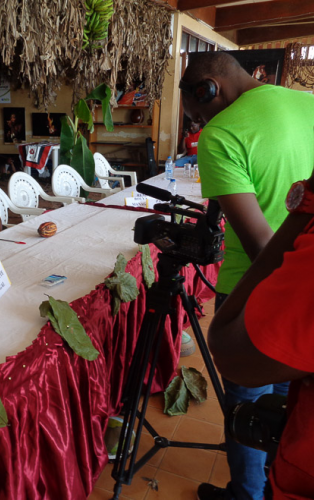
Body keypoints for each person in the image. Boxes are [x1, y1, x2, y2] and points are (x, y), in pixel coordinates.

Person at [179, 51, 314, 500]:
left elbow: (260, 244)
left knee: (247, 404)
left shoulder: (221, 134)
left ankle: (246, 495)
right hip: (305, 292)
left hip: (252, 289)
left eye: (196, 116)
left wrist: (231, 327)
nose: (199, 126)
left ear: (208, 90)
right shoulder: (308, 102)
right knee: (288, 402)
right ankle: (271, 484)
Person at [208, 176, 314, 499]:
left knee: (250, 405)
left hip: (260, 306)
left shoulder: (219, 143)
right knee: (276, 407)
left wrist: (307, 204)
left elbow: (230, 351)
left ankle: (246, 494)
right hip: (286, 316)